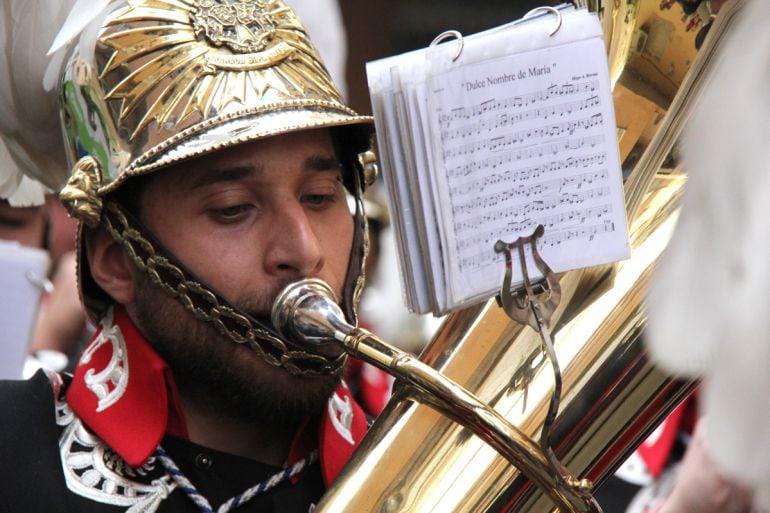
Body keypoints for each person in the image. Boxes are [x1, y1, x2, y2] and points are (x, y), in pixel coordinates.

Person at [0, 0, 378, 511]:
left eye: (319, 196)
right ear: (115, 260)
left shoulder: (426, 464)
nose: (303, 252)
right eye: (233, 209)